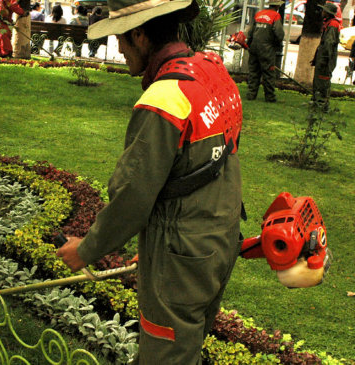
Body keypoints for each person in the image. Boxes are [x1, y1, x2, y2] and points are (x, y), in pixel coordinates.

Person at [56, 0, 243, 363]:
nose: (120, 49)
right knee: (186, 344)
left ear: (139, 34)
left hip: (181, 257)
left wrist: (86, 250)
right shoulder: (210, 71)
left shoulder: (163, 99)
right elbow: (203, 166)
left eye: (121, 39)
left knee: (166, 353)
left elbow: (133, 196)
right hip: (218, 240)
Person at [245, 0, 285, 102]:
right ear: (278, 6)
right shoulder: (275, 16)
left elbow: (250, 32)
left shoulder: (259, 14)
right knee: (268, 73)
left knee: (254, 72)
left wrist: (248, 44)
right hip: (267, 49)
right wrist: (276, 45)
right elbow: (279, 34)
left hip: (254, 47)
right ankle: (270, 97)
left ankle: (251, 94)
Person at [310, 3, 341, 111]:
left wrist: (324, 59)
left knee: (323, 81)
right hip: (323, 57)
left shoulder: (332, 25)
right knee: (318, 80)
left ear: (327, 13)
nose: (322, 12)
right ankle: (317, 101)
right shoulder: (328, 23)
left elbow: (328, 43)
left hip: (326, 58)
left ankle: (321, 104)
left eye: (324, 11)